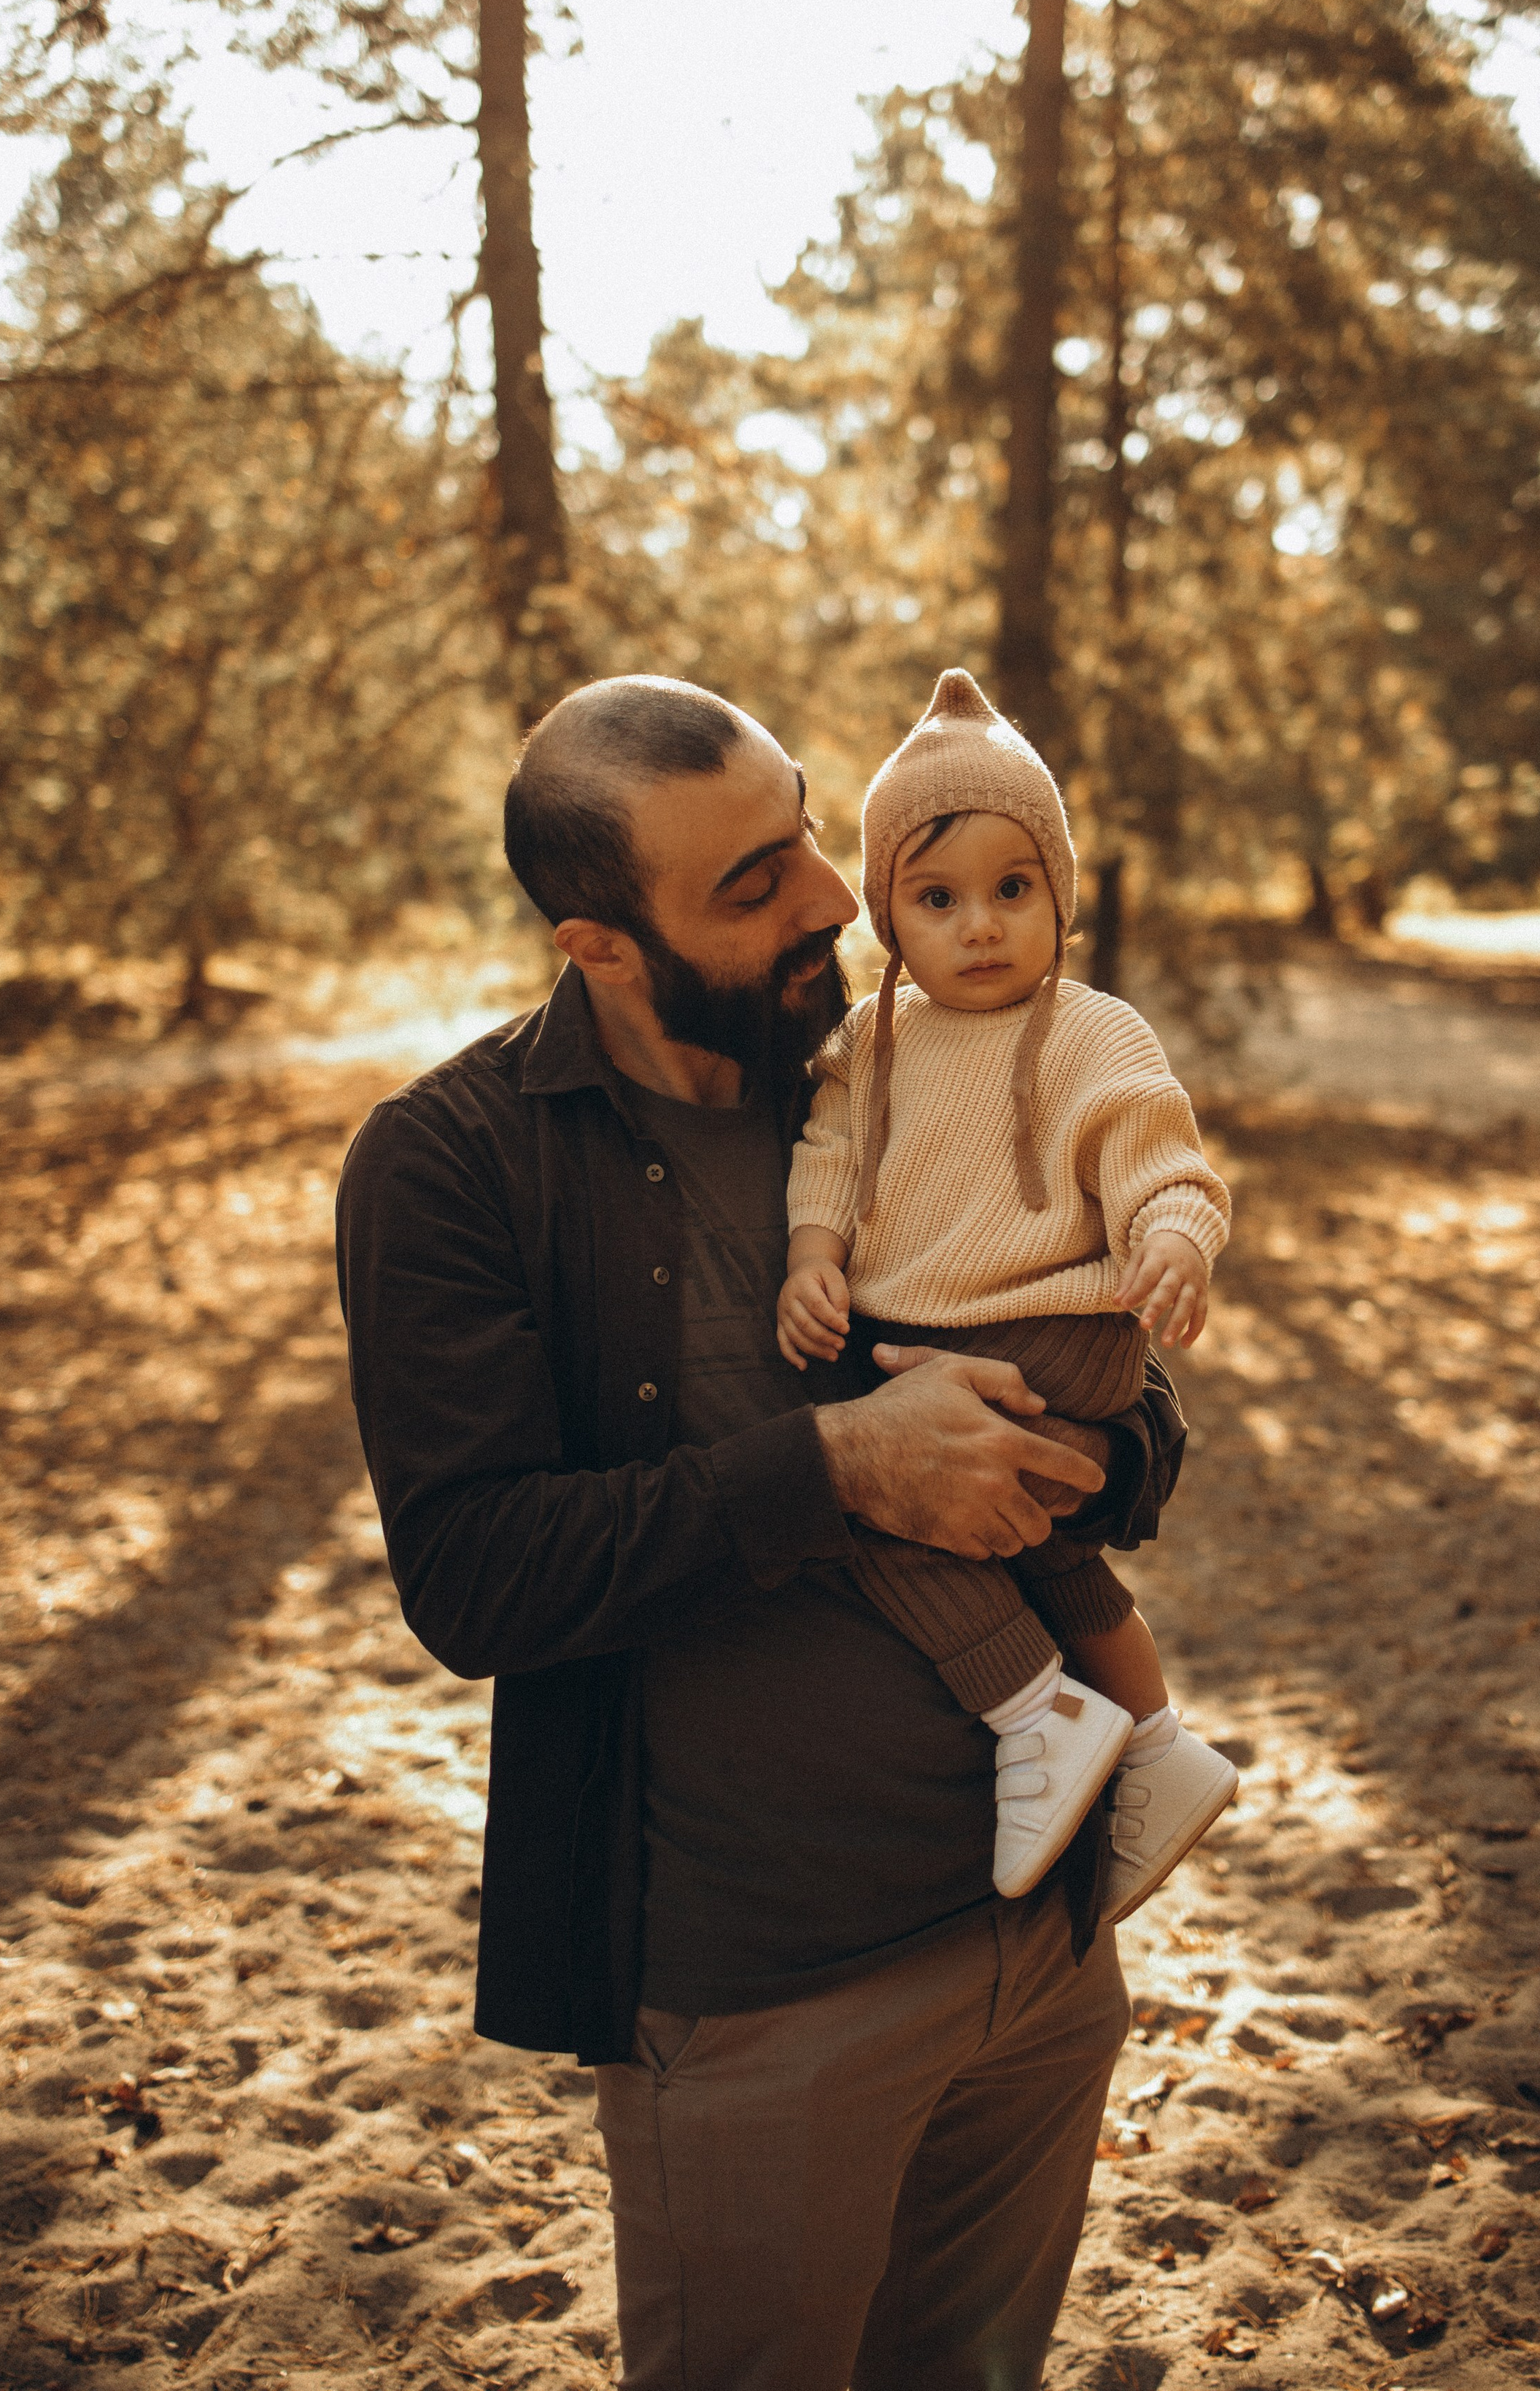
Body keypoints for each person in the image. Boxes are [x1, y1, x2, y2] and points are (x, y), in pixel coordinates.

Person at [336, 675, 1193, 2391]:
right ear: (596, 943)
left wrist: (1076, 1447)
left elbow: (1142, 1452)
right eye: (748, 882)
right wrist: (844, 1472)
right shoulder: (455, 1166)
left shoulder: (892, 1068)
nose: (823, 895)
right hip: (759, 2004)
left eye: (801, 826)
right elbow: (476, 1575)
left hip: (1042, 1946)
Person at [777, 671, 1239, 1916]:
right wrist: (816, 1255)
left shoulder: (1092, 1032)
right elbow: (824, 1153)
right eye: (939, 899)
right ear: (887, 916)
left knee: (880, 1507)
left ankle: (1037, 1712)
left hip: (1057, 1327)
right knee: (1037, 1542)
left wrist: (1177, 1241)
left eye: (1012, 890)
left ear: (1058, 898)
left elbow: (1161, 1157)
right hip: (931, 1326)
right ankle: (1154, 1743)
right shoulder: (871, 1045)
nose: (980, 926)